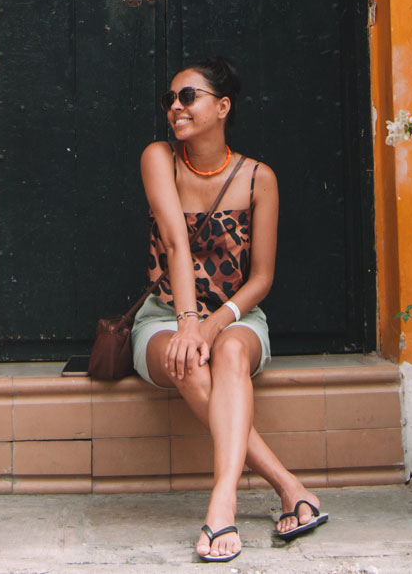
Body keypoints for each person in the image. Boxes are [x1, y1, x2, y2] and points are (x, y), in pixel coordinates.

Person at [131, 56, 328, 563]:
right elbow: (176, 244)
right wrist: (189, 325)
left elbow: (261, 278)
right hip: (165, 315)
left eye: (188, 96)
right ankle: (287, 484)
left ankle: (223, 504)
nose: (175, 107)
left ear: (222, 106)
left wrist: (217, 322)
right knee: (192, 363)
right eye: (169, 99)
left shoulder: (259, 177)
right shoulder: (160, 158)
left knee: (231, 356)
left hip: (237, 316)